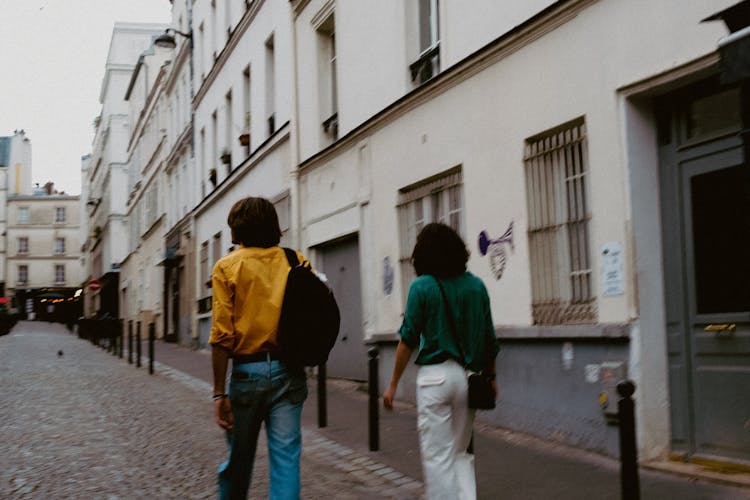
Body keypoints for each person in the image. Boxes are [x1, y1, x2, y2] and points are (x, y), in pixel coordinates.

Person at [383, 222, 499, 500]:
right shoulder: (476, 286)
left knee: (438, 457)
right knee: (461, 452)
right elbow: (488, 341)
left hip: (434, 379)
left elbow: (408, 339)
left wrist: (393, 384)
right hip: (468, 379)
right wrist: (492, 378)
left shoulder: (421, 287)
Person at [210, 196, 309, 500]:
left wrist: (218, 393)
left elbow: (222, 336)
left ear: (237, 230)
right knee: (286, 461)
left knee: (239, 461)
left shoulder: (227, 267)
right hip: (289, 372)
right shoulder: (296, 260)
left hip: (246, 373)